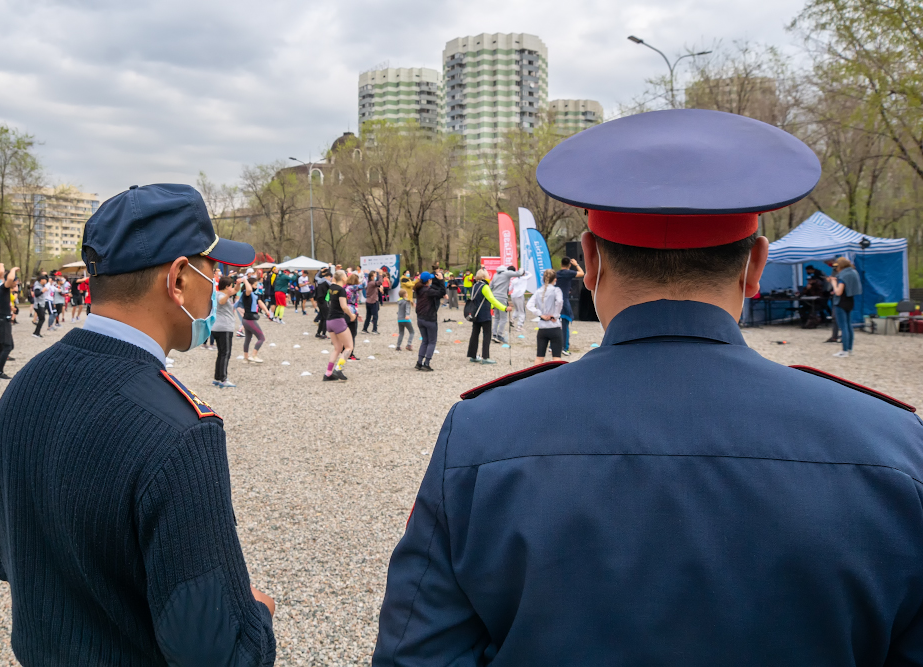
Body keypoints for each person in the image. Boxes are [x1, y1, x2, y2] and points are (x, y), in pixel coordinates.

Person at [371, 109, 923, 665]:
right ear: (756, 266)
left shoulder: (482, 435)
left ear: (589, 262)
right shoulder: (892, 447)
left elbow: (417, 654)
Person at [0, 183, 275, 665]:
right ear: (179, 279)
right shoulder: (182, 429)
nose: (218, 282)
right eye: (213, 268)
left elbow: (6, 556)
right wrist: (257, 618)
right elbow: (214, 653)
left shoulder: (24, 385)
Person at [465, 268, 511, 365]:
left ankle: (472, 355)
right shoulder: (485, 287)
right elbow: (492, 299)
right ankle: (485, 357)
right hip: (485, 315)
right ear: (484, 277)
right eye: (487, 275)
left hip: (475, 314)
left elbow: (480, 300)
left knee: (475, 334)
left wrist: (492, 306)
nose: (489, 277)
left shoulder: (475, 285)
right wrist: (504, 308)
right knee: (487, 335)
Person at [323, 268, 354, 382]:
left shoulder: (331, 288)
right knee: (349, 347)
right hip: (338, 320)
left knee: (337, 348)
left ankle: (328, 373)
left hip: (329, 321)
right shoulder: (341, 290)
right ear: (344, 278)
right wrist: (351, 315)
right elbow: (344, 306)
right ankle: (338, 369)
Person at [527, 268, 563, 363]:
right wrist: (555, 315)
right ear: (554, 279)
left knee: (539, 356)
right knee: (556, 357)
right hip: (554, 326)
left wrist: (540, 314)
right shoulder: (556, 290)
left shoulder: (538, 291)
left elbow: (529, 305)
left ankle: (535, 376)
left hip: (542, 327)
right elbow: (559, 301)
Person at [828, 256, 862, 357]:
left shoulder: (843, 275)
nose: (836, 269)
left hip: (841, 302)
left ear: (840, 266)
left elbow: (838, 292)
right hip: (850, 301)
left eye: (837, 266)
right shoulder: (853, 272)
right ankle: (850, 349)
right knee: (849, 326)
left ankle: (844, 351)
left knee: (843, 327)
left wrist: (833, 283)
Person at [0, 266, 20, 379]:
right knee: (8, 346)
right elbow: (10, 278)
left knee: (8, 345)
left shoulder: (3, 291)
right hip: (3, 321)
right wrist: (13, 269)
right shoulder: (4, 288)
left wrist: (6, 308)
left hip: (3, 320)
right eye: (16, 283)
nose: (16, 285)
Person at [211, 275, 241, 387]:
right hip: (224, 328)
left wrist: (238, 284)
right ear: (227, 286)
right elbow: (222, 301)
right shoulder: (220, 295)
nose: (232, 288)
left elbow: (236, 290)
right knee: (225, 354)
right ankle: (223, 379)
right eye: (231, 286)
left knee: (221, 353)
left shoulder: (219, 293)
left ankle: (218, 377)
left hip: (218, 327)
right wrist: (228, 294)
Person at [413, 270, 446, 371]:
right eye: (431, 279)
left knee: (424, 341)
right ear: (428, 280)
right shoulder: (428, 290)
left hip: (420, 318)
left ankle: (419, 362)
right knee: (432, 341)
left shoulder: (419, 289)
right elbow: (442, 293)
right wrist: (441, 280)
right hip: (429, 319)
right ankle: (426, 363)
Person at [554, 256, 584, 356]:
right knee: (565, 325)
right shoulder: (569, 273)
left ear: (561, 264)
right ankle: (565, 347)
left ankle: (552, 346)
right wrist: (577, 265)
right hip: (564, 301)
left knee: (554, 324)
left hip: (555, 302)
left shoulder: (556, 273)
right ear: (569, 265)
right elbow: (582, 273)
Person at [489, 265, 524, 343]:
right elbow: (519, 273)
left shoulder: (495, 275)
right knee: (504, 318)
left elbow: (490, 286)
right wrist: (522, 268)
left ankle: (494, 335)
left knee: (497, 317)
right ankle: (500, 335)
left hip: (494, 297)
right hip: (502, 297)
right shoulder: (506, 273)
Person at [238, 276, 266, 363]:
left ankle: (246, 358)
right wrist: (245, 280)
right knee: (261, 338)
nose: (256, 287)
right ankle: (254, 356)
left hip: (247, 319)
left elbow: (260, 302)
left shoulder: (254, 295)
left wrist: (267, 311)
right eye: (255, 285)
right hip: (249, 320)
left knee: (248, 338)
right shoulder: (247, 293)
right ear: (250, 285)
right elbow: (249, 289)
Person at [345, 272, 361, 360]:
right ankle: (350, 353)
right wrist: (365, 275)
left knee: (346, 333)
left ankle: (345, 351)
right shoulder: (352, 288)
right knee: (352, 333)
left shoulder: (346, 288)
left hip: (347, 311)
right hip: (351, 311)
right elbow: (364, 285)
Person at [314, 268, 331, 339]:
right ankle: (324, 333)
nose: (330, 279)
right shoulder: (326, 283)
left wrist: (320, 271)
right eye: (330, 277)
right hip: (324, 301)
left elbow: (316, 277)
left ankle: (318, 333)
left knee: (323, 318)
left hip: (319, 301)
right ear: (327, 276)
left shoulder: (319, 281)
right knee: (326, 318)